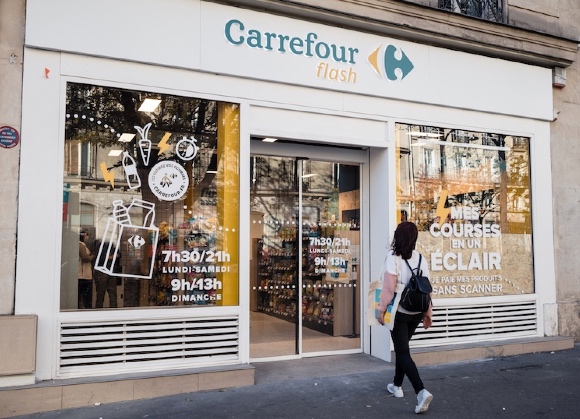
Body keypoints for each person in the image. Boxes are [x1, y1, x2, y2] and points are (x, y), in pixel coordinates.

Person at [377, 221, 434, 414]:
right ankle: (397, 386)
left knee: (402, 352)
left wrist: (380, 310)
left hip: (400, 313)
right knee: (403, 349)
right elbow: (428, 290)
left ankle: (421, 391)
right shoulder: (420, 258)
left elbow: (389, 288)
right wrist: (428, 314)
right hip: (416, 312)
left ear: (398, 237)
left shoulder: (393, 257)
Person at [78, 228, 95, 309]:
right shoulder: (81, 246)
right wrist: (92, 256)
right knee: (86, 298)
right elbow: (85, 258)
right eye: (87, 235)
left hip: (84, 274)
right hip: (83, 275)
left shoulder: (83, 245)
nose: (88, 237)